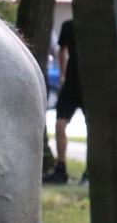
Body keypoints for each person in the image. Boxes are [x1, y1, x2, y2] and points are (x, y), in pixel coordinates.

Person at [43, 19, 86, 185]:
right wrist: (62, 74)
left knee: (94, 129)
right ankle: (61, 169)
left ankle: (90, 173)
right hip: (71, 84)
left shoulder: (99, 26)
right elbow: (62, 51)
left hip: (91, 85)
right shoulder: (68, 26)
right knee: (60, 124)